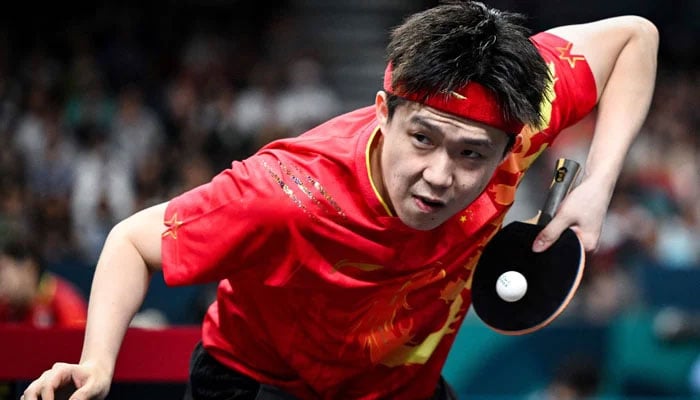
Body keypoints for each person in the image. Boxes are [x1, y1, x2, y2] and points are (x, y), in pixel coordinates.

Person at [21, 1, 659, 399]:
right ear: (384, 113)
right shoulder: (284, 191)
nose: (440, 176)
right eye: (422, 140)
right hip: (261, 384)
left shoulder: (519, 105)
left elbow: (635, 37)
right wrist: (98, 362)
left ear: (511, 142)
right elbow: (132, 241)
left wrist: (597, 188)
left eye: (471, 156)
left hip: (397, 387)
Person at [0, 236, 87, 328]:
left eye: (3, 269)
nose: (1, 279)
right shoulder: (4, 306)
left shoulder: (66, 305)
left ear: (28, 269)